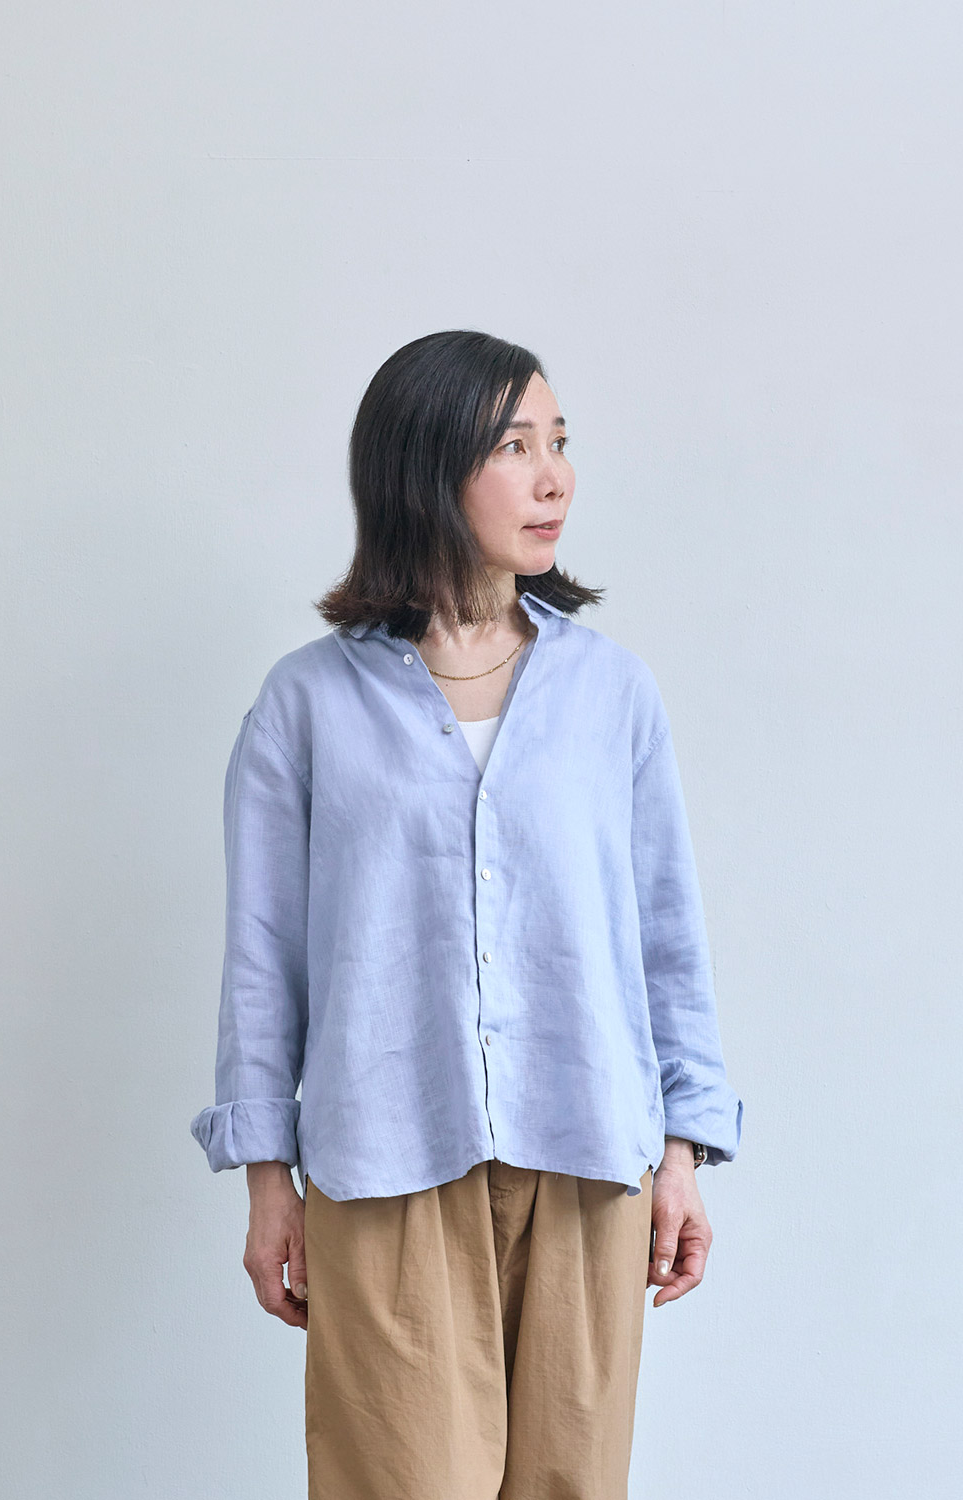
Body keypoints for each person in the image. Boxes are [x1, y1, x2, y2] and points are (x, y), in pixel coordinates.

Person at [190, 329, 744, 1499]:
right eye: (514, 447)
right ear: (424, 469)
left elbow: (665, 938)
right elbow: (263, 960)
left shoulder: (611, 692)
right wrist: (266, 1180)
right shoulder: (305, 705)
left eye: (559, 443)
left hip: (589, 1157)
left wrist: (682, 1152)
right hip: (387, 1161)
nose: (555, 478)